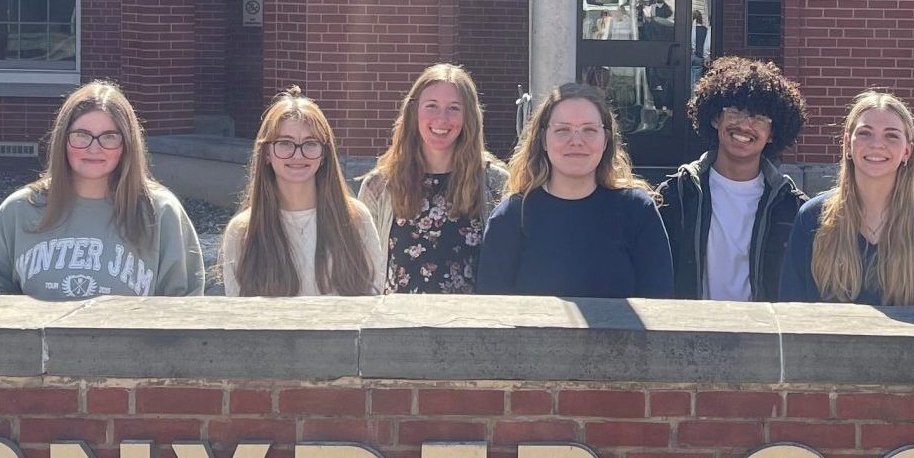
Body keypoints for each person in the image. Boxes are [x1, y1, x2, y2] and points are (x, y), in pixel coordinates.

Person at [0, 80, 200, 300]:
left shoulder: (160, 212)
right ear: (63, 140)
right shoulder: (19, 210)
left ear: (126, 144)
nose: (94, 148)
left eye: (109, 137)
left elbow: (185, 309)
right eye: (81, 135)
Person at [475, 83, 673, 299]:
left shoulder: (638, 211)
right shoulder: (511, 217)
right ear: (543, 140)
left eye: (589, 130)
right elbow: (494, 314)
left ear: (606, 140)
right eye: (563, 130)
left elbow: (659, 306)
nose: (576, 141)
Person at [778, 90, 914, 307]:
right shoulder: (812, 218)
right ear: (847, 143)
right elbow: (792, 311)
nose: (877, 144)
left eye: (891, 135)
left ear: (907, 152)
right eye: (865, 133)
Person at [654, 57, 808, 301]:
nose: (745, 125)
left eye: (759, 118)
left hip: (763, 334)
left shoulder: (791, 206)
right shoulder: (676, 195)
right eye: (735, 112)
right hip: (691, 332)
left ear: (772, 134)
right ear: (715, 118)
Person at [358, 64, 509, 294]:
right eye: (432, 106)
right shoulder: (378, 186)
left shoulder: (494, 184)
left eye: (454, 108)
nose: (442, 119)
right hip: (398, 325)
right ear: (413, 112)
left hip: (468, 325)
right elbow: (364, 274)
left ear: (468, 116)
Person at [222, 88, 385, 297]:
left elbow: (374, 296)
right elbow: (238, 314)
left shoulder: (356, 218)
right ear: (267, 154)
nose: (298, 155)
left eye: (310, 144)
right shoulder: (242, 231)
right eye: (284, 143)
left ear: (324, 154)